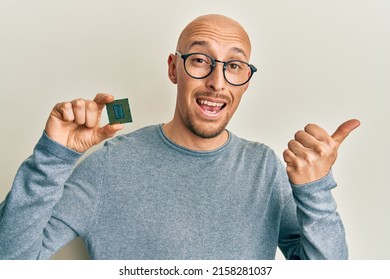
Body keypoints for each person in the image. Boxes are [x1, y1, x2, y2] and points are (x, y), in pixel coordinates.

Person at [0, 14, 359, 260]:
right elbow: (11, 260)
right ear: (174, 69)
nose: (217, 82)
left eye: (234, 66)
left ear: (246, 82)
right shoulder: (111, 164)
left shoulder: (264, 168)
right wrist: (51, 158)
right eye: (201, 60)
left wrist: (315, 192)